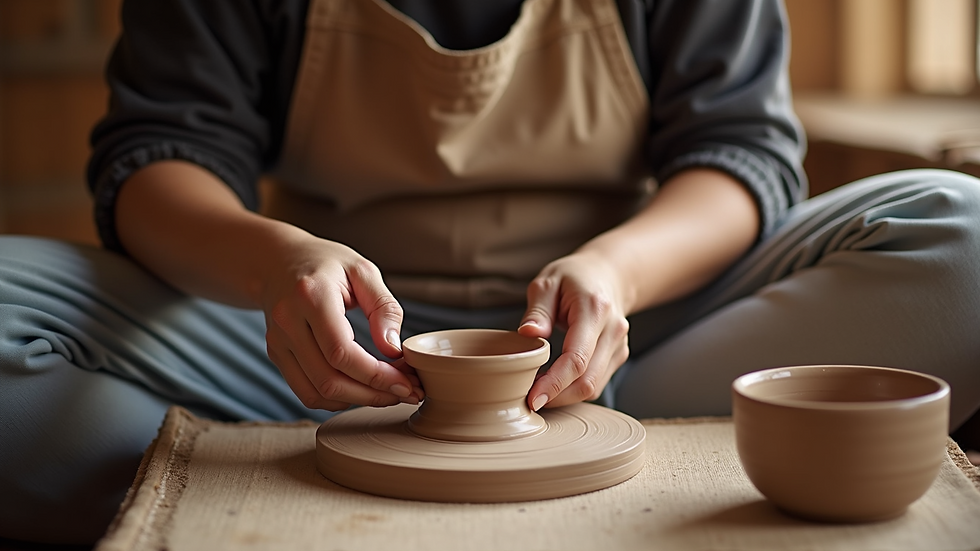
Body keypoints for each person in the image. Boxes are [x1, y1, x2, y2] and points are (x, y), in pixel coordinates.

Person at [2, 0, 978, 544]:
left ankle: (329, 495)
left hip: (636, 325)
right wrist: (280, 263)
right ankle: (255, 493)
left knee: (962, 230)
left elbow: (742, 156)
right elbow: (155, 157)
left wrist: (614, 271)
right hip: (323, 349)